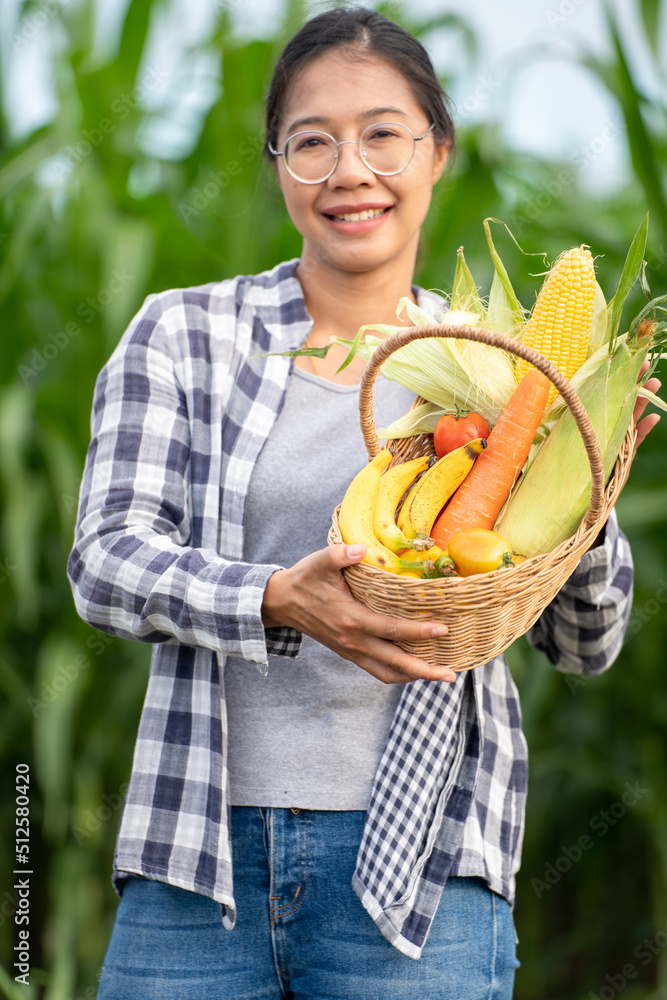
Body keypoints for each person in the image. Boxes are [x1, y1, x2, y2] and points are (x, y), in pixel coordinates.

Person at [67, 7, 660, 999]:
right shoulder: (182, 334)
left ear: (438, 152)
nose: (349, 169)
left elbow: (583, 644)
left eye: (383, 134)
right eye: (312, 142)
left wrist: (592, 494)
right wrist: (276, 597)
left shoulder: (503, 369)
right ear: (278, 166)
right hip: (197, 854)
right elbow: (106, 560)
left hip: (428, 867)